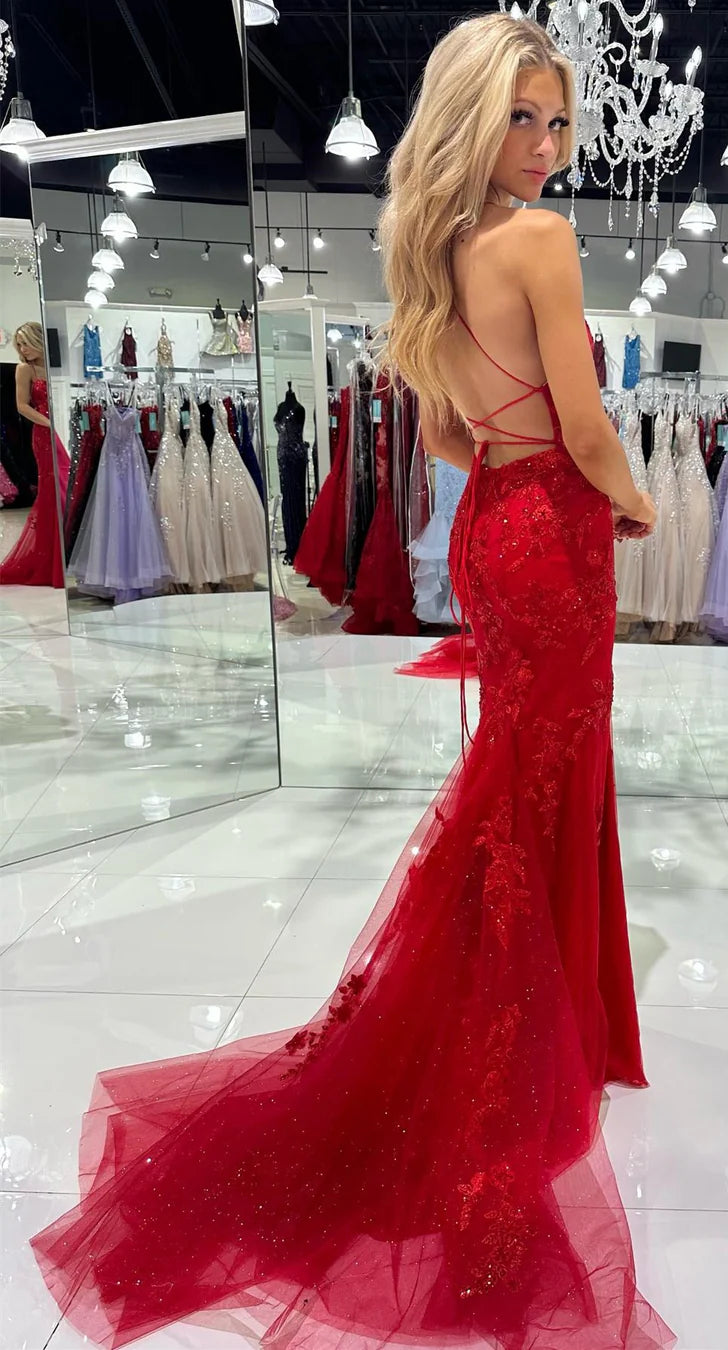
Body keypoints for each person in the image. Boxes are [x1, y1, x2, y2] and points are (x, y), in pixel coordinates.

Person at [29, 14, 671, 1350]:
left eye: (559, 121)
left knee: (519, 771)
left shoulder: (432, 253)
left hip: (494, 526)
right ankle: (526, 1038)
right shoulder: (541, 242)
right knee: (536, 780)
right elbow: (587, 419)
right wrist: (631, 500)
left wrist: (536, 479)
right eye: (523, 117)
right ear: (473, 118)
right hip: (553, 535)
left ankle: (554, 1019)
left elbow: (450, 435)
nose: (547, 145)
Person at [0, 322, 70, 587]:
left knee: (64, 487)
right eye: (19, 344)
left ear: (38, 341)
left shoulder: (53, 367)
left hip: (61, 428)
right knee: (54, 490)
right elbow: (21, 406)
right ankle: (49, 558)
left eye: (26, 343)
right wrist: (49, 423)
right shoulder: (24, 369)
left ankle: (63, 554)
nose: (22, 349)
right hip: (44, 434)